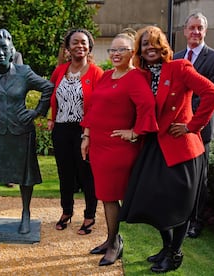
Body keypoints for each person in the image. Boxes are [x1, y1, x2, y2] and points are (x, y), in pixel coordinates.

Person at [119, 26, 214, 273]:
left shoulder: (180, 67)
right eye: (145, 44)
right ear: (139, 50)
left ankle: (175, 254)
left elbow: (212, 92)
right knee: (156, 204)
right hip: (154, 147)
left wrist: (192, 126)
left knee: (178, 206)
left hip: (180, 149)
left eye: (155, 42)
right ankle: (166, 247)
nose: (150, 47)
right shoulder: (140, 75)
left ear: (163, 46)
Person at [0, 29, 53, 234]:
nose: (0, 53)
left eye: (4, 48)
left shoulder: (24, 72)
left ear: (12, 50)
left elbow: (48, 87)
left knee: (24, 175)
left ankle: (25, 213)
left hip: (21, 130)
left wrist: (36, 112)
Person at [81, 32, 158, 266]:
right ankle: (110, 239)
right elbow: (93, 109)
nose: (115, 54)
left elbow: (147, 106)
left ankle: (115, 243)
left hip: (118, 149)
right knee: (105, 196)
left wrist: (135, 132)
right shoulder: (106, 76)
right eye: (112, 50)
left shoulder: (136, 77)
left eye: (121, 49)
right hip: (99, 146)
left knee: (111, 196)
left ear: (132, 53)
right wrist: (86, 136)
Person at [173, 12, 214, 238]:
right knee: (180, 176)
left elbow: (205, 96)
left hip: (200, 129)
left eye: (200, 28)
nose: (195, 32)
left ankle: (195, 222)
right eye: (192, 28)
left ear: (205, 32)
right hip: (176, 129)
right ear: (184, 31)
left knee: (198, 178)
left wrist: (188, 122)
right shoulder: (175, 58)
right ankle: (177, 217)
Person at [48, 29, 102, 235]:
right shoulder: (60, 70)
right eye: (75, 43)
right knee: (65, 173)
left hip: (84, 130)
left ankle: (89, 215)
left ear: (89, 46)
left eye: (84, 43)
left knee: (86, 173)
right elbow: (51, 95)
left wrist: (88, 132)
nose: (80, 46)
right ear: (68, 48)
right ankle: (66, 212)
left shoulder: (96, 73)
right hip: (62, 129)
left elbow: (98, 106)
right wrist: (51, 118)